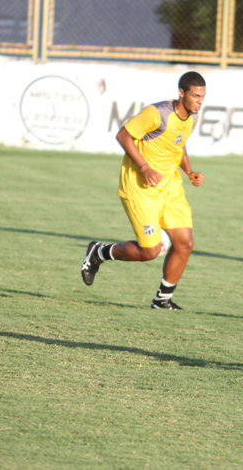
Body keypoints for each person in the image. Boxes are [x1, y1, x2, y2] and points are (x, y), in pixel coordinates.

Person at [81, 71, 206, 309]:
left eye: (203, 97)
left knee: (185, 243)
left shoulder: (192, 117)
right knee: (150, 251)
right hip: (140, 188)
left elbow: (178, 144)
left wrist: (189, 172)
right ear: (182, 93)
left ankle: (162, 300)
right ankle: (99, 252)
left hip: (170, 187)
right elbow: (123, 135)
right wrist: (145, 167)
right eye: (196, 96)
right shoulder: (156, 113)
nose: (200, 101)